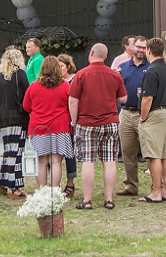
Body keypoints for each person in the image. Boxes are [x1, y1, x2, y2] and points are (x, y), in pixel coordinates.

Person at [69, 43, 127, 210]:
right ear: (105, 56)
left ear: (92, 53)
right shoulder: (114, 75)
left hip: (87, 123)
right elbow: (123, 99)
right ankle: (108, 199)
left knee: (88, 161)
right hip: (110, 122)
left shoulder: (81, 75)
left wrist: (75, 121)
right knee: (109, 160)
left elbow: (73, 100)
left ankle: (87, 200)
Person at [137, 37, 166, 203]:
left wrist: (143, 117)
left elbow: (147, 98)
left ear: (149, 50)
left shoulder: (151, 70)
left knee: (154, 156)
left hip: (156, 114)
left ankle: (155, 193)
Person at [23, 55, 72, 189]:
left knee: (41, 161)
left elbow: (26, 106)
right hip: (60, 127)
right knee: (56, 161)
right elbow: (70, 105)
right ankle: (55, 190)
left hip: (38, 127)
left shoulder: (33, 86)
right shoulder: (65, 86)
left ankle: (42, 191)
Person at [0, 47, 30, 199]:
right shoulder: (19, 74)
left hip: (2, 117)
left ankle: (2, 182)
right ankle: (14, 187)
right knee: (16, 152)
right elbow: (27, 96)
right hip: (17, 116)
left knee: (8, 150)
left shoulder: (0, 76)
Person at [116, 35, 150, 197]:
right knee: (128, 152)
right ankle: (131, 185)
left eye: (144, 47)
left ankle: (157, 186)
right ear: (132, 48)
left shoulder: (151, 67)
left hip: (145, 113)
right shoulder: (123, 67)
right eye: (138, 47)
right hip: (126, 112)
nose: (141, 50)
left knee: (150, 151)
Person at [58, 53, 78, 198]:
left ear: (68, 66)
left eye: (62, 66)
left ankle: (70, 183)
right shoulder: (56, 82)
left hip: (72, 120)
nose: (59, 69)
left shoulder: (75, 80)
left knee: (70, 154)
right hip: (60, 121)